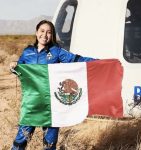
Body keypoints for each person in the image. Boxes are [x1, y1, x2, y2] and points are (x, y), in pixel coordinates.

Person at [9, 20, 95, 150]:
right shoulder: (27, 52)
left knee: (49, 145)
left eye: (49, 32)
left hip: (52, 106)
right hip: (31, 104)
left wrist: (97, 63)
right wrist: (13, 66)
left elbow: (76, 59)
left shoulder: (56, 51)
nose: (45, 35)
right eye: (42, 31)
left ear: (52, 35)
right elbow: (19, 70)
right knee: (19, 143)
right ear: (36, 32)